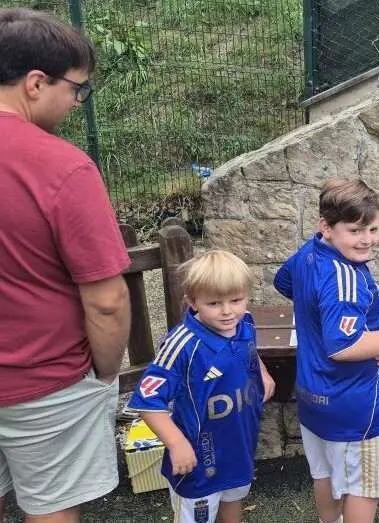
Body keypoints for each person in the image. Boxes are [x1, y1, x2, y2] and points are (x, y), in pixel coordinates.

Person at [0, 8, 131, 521]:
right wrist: (103, 374)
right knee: (51, 510)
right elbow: (106, 299)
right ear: (36, 83)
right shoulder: (62, 166)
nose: (77, 102)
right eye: (78, 89)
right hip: (45, 380)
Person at [273, 179, 379, 523]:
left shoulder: (310, 252)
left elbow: (283, 281)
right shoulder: (346, 278)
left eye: (373, 228)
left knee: (326, 474)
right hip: (354, 405)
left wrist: (318, 313)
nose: (368, 239)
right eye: (356, 230)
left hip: (313, 395)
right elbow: (344, 346)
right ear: (326, 227)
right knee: (364, 487)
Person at [127, 250, 276, 523]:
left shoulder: (246, 323)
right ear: (192, 302)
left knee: (233, 501)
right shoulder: (182, 344)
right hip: (199, 458)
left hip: (238, 445)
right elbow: (146, 402)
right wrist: (176, 444)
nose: (228, 311)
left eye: (236, 300)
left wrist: (262, 372)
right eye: (214, 303)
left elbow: (249, 351)